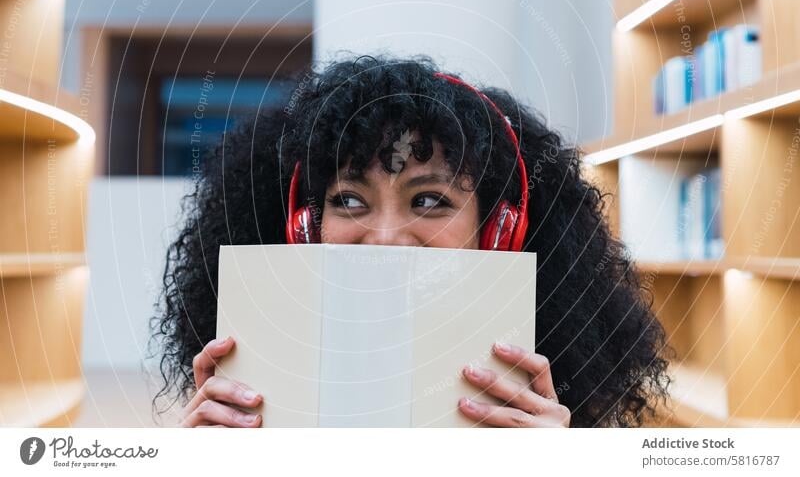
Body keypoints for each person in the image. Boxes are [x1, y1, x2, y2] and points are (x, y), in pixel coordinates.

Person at [150, 54, 671, 428]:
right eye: (350, 200)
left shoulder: (547, 410)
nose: (386, 239)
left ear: (497, 232)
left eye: (428, 201)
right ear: (304, 230)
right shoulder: (255, 399)